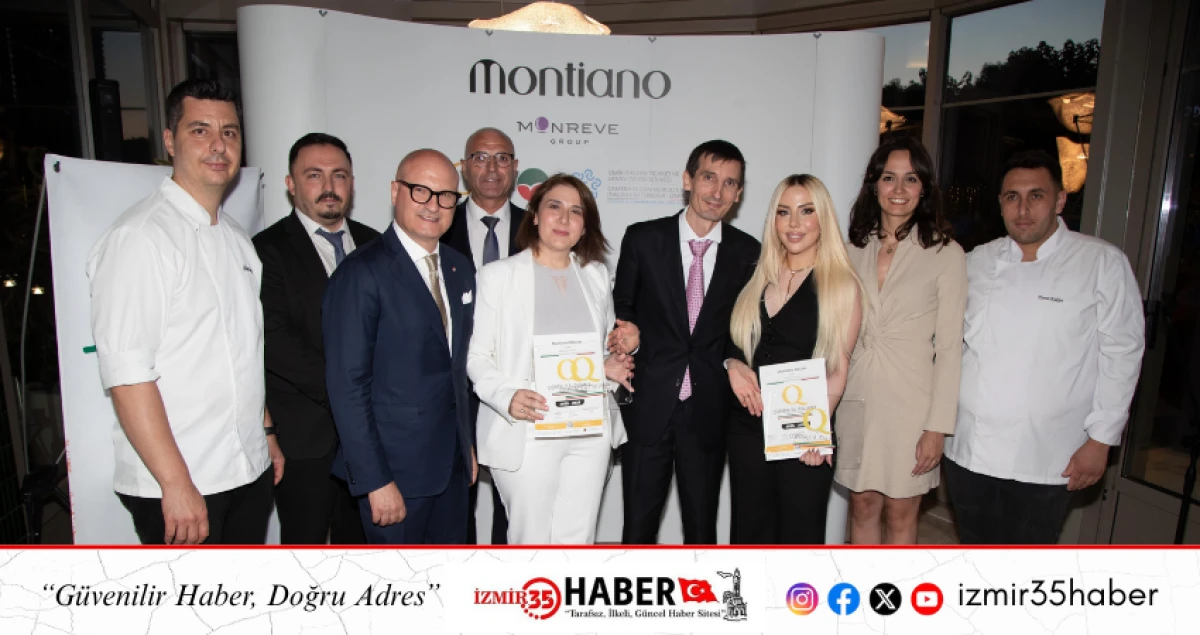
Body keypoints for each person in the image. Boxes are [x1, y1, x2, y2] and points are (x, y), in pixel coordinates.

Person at [87, 79, 282, 544]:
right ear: (170, 141)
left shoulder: (237, 240)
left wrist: (267, 435)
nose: (218, 145)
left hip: (246, 470)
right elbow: (127, 375)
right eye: (200, 130)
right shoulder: (140, 238)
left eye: (229, 132)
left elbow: (244, 355)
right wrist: (174, 483)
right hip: (182, 484)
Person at [944, 149, 1145, 544]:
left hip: (1048, 455)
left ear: (1060, 200)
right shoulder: (975, 261)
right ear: (1000, 203)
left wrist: (1101, 440)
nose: (1023, 209)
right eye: (1012, 197)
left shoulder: (1101, 262)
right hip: (969, 450)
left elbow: (1122, 354)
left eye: (1036, 196)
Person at [467, 174, 635, 544]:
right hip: (529, 425)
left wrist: (615, 360)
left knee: (578, 540)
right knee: (531, 541)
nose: (563, 218)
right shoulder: (498, 276)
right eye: (554, 207)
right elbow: (477, 356)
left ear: (584, 226)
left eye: (576, 211)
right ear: (535, 215)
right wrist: (506, 396)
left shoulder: (595, 275)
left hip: (589, 429)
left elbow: (601, 352)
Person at [323, 149, 477, 544]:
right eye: (421, 191)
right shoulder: (361, 273)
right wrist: (374, 480)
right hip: (394, 476)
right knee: (398, 582)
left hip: (452, 470)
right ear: (395, 191)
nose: (434, 205)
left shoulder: (459, 268)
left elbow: (456, 372)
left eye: (446, 196)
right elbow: (347, 387)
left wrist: (467, 446)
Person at [612, 140, 760, 544]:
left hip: (709, 410)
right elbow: (623, 305)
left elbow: (746, 328)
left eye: (730, 183)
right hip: (648, 405)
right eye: (709, 177)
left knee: (701, 531)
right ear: (687, 180)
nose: (717, 192)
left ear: (739, 193)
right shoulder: (643, 238)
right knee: (637, 530)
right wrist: (629, 336)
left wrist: (733, 360)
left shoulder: (749, 252)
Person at [835, 138, 968, 544]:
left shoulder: (946, 253)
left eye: (910, 179)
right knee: (862, 506)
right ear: (873, 184)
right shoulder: (850, 250)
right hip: (856, 395)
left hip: (912, 407)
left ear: (924, 188)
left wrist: (937, 428)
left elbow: (950, 349)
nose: (898, 189)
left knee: (901, 512)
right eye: (888, 177)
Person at [253, 133, 377, 544]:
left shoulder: (377, 244)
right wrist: (350, 391)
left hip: (372, 436)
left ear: (351, 183)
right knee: (304, 551)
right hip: (305, 439)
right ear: (291, 184)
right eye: (314, 175)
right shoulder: (265, 250)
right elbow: (274, 340)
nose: (329, 186)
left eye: (339, 175)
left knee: (364, 551)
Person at [724, 174, 863, 544]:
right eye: (784, 212)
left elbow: (838, 368)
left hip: (803, 433)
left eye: (806, 211)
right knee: (749, 535)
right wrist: (732, 364)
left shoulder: (841, 285)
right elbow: (733, 342)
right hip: (748, 427)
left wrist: (816, 433)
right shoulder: (756, 274)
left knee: (798, 541)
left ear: (823, 218)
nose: (794, 223)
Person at [441, 127, 526, 544]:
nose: (492, 167)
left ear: (515, 167)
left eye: (502, 158)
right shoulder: (438, 224)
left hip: (518, 386)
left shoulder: (538, 229)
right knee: (457, 502)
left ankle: (508, 575)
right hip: (452, 386)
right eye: (480, 157)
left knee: (516, 506)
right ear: (464, 167)